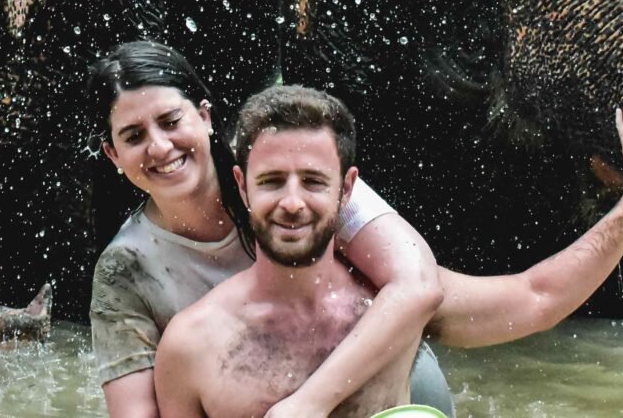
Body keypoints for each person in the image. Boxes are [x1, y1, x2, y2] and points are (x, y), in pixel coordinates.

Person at [138, 76, 623, 418]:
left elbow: (537, 296)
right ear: (241, 186)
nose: (291, 202)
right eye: (271, 181)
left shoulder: (390, 304)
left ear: (348, 188)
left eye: (312, 181)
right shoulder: (192, 345)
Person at [90, 43, 449, 418]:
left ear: (204, 116)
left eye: (170, 121)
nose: (160, 147)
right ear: (113, 153)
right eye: (133, 137)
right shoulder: (123, 271)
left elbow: (421, 286)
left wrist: (308, 404)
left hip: (391, 391)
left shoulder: (285, 160)